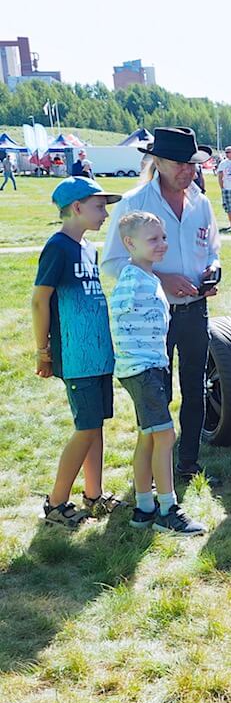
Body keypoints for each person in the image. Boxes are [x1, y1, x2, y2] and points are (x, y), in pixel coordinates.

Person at [102, 126, 222, 487]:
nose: (189, 171)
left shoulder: (201, 202)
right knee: (158, 391)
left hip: (195, 310)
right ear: (157, 161)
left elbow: (212, 248)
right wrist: (162, 278)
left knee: (196, 385)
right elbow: (112, 263)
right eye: (181, 164)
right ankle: (159, 468)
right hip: (153, 317)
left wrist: (213, 269)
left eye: (193, 164)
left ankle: (188, 462)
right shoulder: (135, 203)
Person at [31, 177, 125, 527]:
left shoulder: (88, 249)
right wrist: (44, 352)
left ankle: (94, 495)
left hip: (99, 355)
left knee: (95, 425)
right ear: (77, 208)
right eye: (100, 206)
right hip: (76, 357)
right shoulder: (58, 247)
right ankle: (56, 503)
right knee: (85, 428)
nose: (104, 214)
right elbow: (40, 300)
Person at [110, 211, 206, 535]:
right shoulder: (131, 280)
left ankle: (143, 508)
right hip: (143, 370)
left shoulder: (147, 277)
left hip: (149, 367)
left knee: (149, 436)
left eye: (163, 237)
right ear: (129, 243)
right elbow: (118, 321)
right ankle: (168, 509)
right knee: (165, 435)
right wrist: (137, 363)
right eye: (153, 239)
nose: (162, 244)